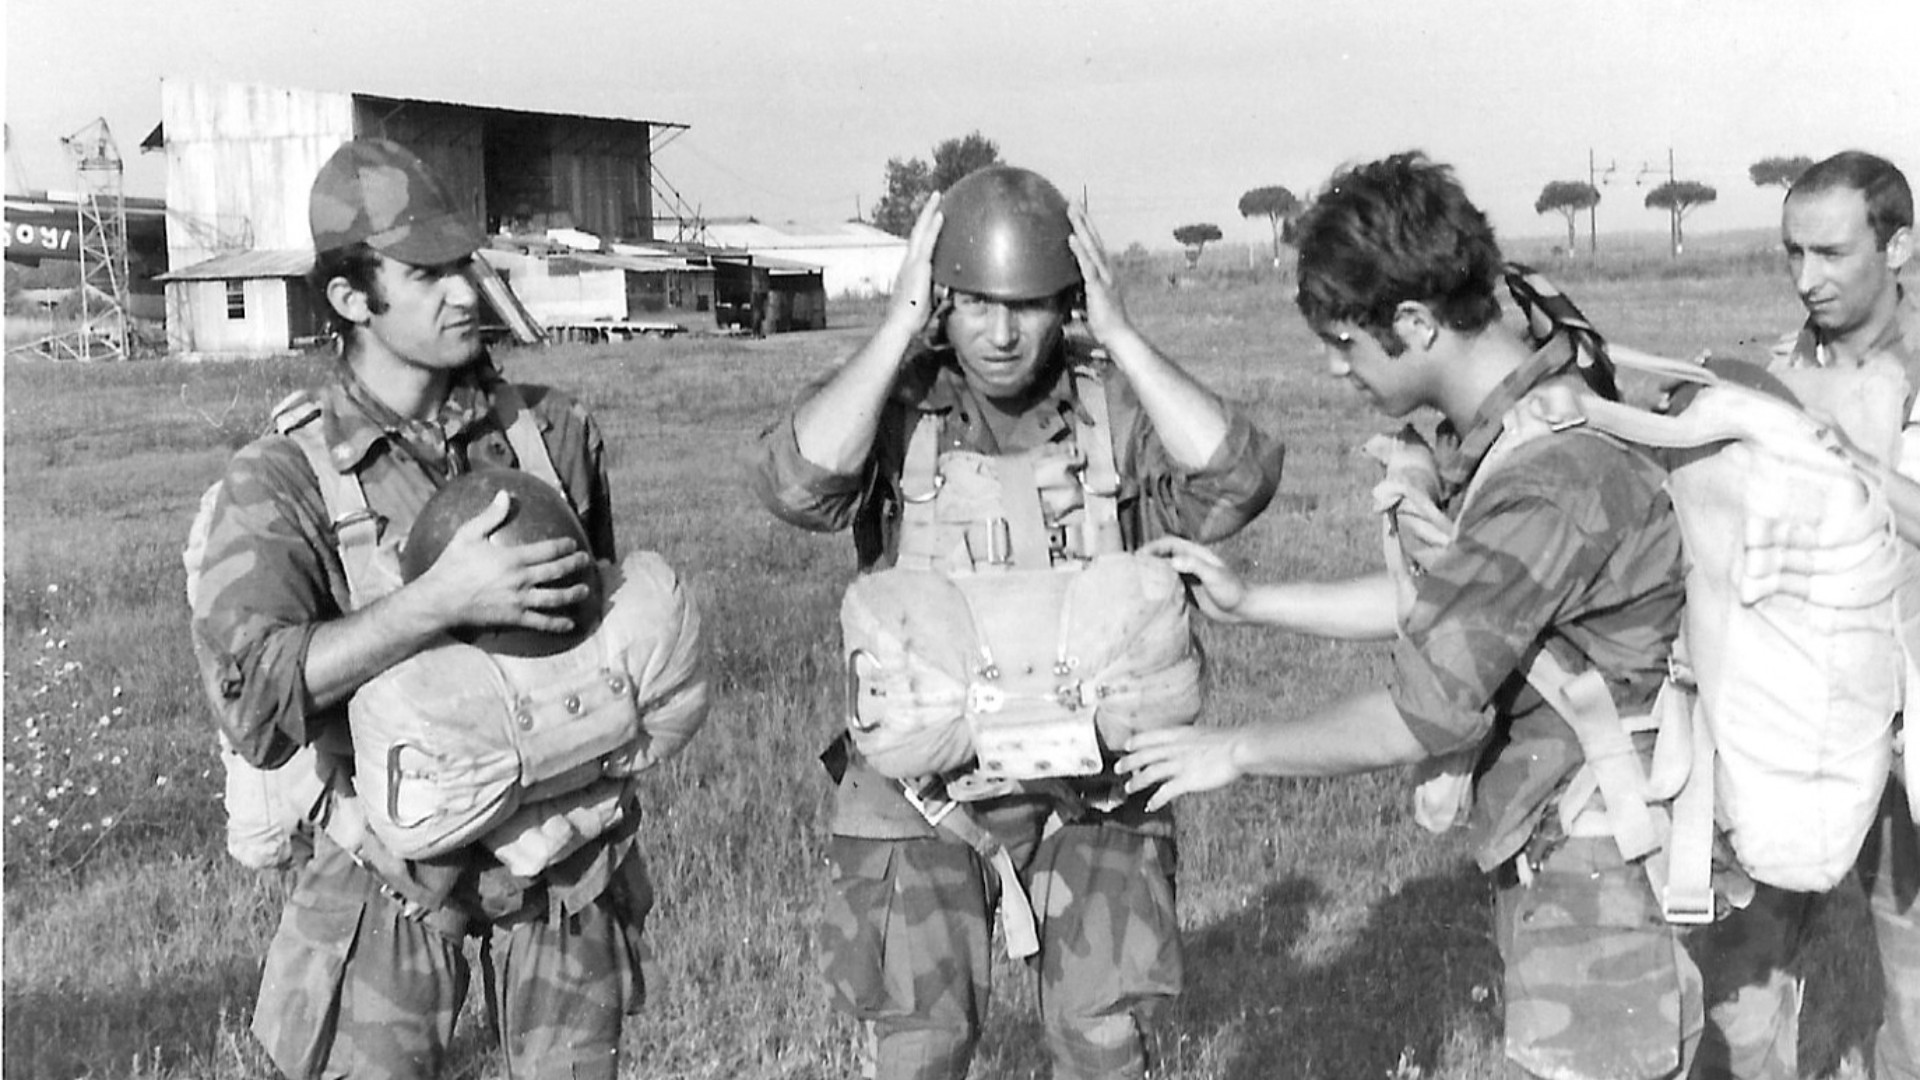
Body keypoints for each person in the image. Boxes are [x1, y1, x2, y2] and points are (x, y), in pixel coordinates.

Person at [1119, 152, 1807, 1080]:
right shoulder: (1527, 430)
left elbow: (1422, 713)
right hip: (1584, 869)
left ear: (1413, 321)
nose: (1334, 367)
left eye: (1345, 341)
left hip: (1599, 894)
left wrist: (1233, 750)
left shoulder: (1547, 480)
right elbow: (1461, 609)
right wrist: (1253, 603)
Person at [751, 165, 1282, 1080]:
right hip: (925, 788)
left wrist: (1121, 337)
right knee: (921, 1043)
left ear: (1067, 302)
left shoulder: (1109, 409)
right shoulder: (901, 408)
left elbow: (1237, 481)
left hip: (1096, 784)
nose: (1001, 333)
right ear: (941, 299)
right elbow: (796, 487)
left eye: (1031, 306)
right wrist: (891, 333)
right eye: (977, 305)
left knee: (1102, 1038)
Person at [190, 138, 650, 1080]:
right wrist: (435, 604)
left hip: (562, 875)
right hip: (387, 887)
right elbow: (257, 707)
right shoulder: (282, 482)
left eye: (464, 264)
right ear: (352, 301)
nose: (466, 292)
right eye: (427, 273)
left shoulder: (550, 435)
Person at [1772, 149, 1918, 1080]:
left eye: (1829, 253)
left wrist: (1842, 458)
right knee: (1751, 967)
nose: (1806, 279)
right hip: (1802, 713)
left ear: (1899, 246)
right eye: (1791, 254)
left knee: (1910, 952)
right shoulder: (1784, 367)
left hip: (1910, 715)